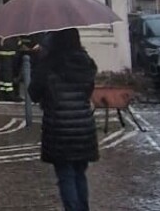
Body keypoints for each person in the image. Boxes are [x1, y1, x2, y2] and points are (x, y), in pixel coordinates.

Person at [29, 28, 99, 211]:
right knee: (79, 174)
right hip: (83, 125)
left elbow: (34, 93)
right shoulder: (86, 63)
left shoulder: (49, 64)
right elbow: (88, 91)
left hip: (59, 127)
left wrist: (37, 62)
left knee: (66, 176)